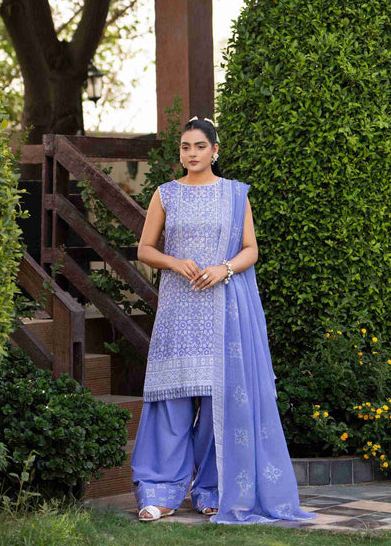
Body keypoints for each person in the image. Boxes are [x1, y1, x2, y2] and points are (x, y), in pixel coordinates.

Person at [131, 117, 317, 525]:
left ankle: (212, 490)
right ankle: (160, 491)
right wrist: (175, 262)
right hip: (179, 307)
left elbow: (250, 249)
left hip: (224, 309)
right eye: (185, 147)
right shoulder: (166, 195)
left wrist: (224, 269)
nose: (191, 154)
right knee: (172, 398)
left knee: (220, 401)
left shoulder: (235, 195)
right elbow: (144, 248)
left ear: (215, 150)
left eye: (199, 146)